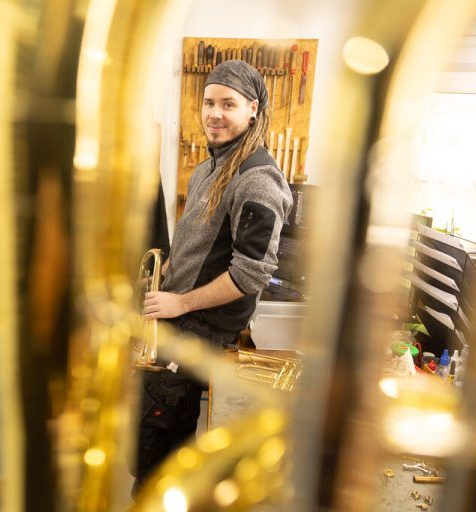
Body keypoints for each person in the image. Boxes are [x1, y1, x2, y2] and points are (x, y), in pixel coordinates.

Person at [134, 59, 293, 490]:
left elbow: (250, 274)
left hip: (198, 331)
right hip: (174, 321)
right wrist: (164, 275)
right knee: (145, 445)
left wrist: (180, 301)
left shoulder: (258, 180)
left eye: (228, 104)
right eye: (209, 102)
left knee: (161, 460)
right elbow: (197, 245)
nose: (214, 113)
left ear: (253, 110)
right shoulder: (209, 167)